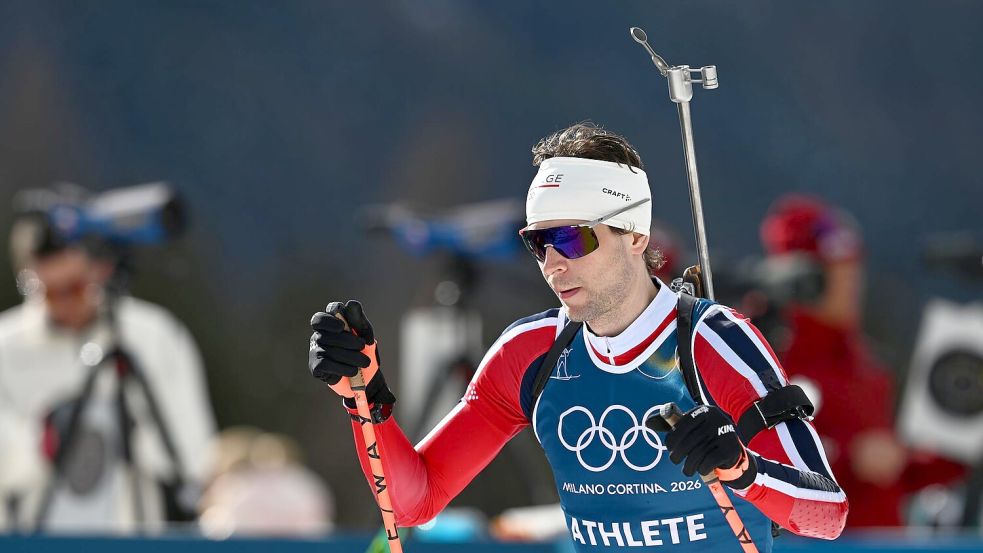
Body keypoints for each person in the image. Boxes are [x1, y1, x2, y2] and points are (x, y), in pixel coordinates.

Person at [308, 123, 848, 552]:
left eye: (572, 237)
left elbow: (828, 515)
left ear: (635, 235)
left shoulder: (713, 342)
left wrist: (743, 469)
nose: (553, 263)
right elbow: (415, 501)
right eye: (538, 242)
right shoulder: (530, 354)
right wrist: (367, 398)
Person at [0, 207, 216, 533]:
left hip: (132, 534)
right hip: (30, 535)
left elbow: (195, 453)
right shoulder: (6, 346)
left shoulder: (152, 336)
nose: (62, 303)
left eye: (73, 288)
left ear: (99, 270)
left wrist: (131, 424)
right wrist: (39, 442)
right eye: (45, 292)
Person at [759, 194, 965, 528]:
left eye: (853, 269)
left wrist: (960, 445)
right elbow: (755, 460)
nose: (851, 284)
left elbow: (896, 475)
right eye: (836, 271)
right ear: (803, 277)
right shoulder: (769, 358)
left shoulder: (863, 362)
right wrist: (848, 456)